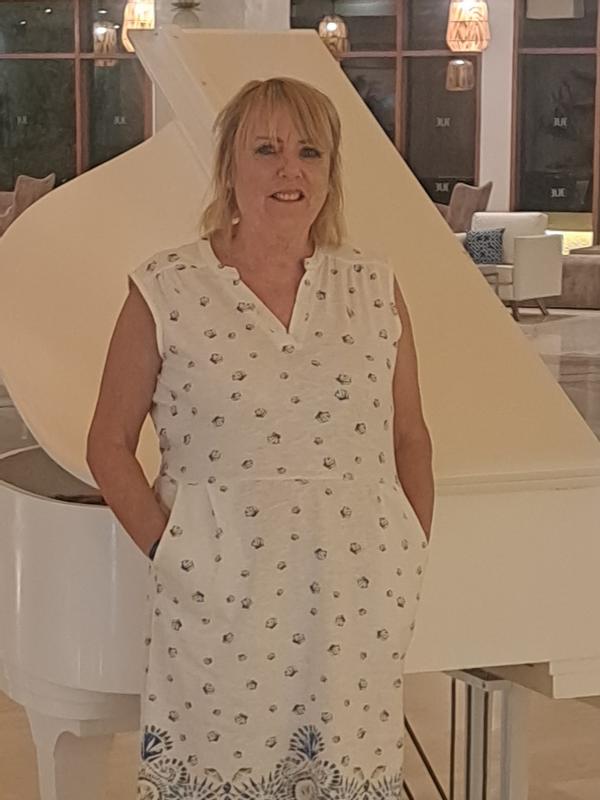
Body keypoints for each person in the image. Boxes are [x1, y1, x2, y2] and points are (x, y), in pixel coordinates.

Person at [87, 76, 433, 799]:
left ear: (330, 172)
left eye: (309, 151)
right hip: (220, 601)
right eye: (267, 149)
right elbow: (108, 444)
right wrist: (175, 551)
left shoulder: (374, 286)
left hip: (354, 604)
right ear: (228, 167)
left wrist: (407, 544)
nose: (289, 170)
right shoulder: (166, 288)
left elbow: (410, 436)